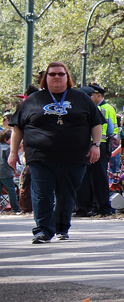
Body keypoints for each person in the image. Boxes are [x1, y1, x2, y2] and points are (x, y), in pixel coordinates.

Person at [7, 63, 103, 243]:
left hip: (74, 157)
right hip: (40, 157)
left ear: (68, 77)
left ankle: (61, 228)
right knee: (42, 193)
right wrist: (13, 153)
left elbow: (96, 124)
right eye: (52, 74)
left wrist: (95, 145)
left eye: (61, 74)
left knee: (66, 194)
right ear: (46, 78)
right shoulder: (32, 100)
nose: (57, 77)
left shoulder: (82, 99)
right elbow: (17, 128)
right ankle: (43, 230)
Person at [75, 84, 116, 217]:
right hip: (100, 144)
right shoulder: (104, 109)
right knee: (100, 177)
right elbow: (111, 130)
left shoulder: (78, 109)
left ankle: (83, 207)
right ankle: (103, 207)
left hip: (83, 145)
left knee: (83, 177)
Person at [0, 129, 20, 213]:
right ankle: (15, 208)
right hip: (6, 172)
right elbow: (10, 162)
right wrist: (15, 171)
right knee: (11, 190)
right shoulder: (8, 148)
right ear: (5, 139)